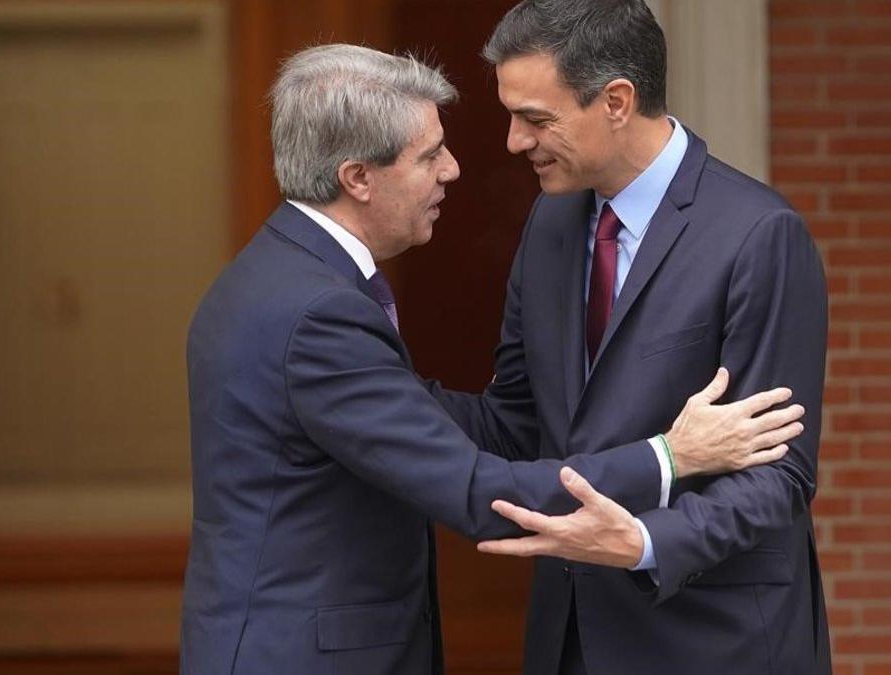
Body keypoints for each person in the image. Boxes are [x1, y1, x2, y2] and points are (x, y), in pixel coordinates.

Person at [180, 43, 804, 675]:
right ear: (357, 178)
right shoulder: (317, 311)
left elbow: (418, 419)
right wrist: (673, 455)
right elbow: (480, 496)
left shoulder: (275, 276)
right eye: (429, 156)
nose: (453, 170)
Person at [426, 1, 832, 673]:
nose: (512, 142)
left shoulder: (759, 235)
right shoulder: (549, 225)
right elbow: (517, 423)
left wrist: (642, 538)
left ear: (616, 100)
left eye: (535, 119)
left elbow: (779, 475)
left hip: (714, 643)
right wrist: (378, 387)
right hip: (571, 640)